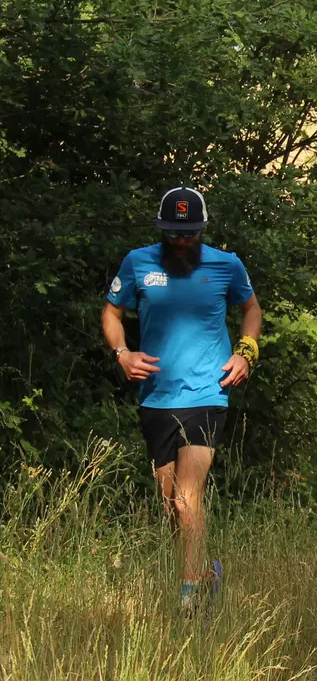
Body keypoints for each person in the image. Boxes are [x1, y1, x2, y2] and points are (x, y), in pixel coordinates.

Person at [101, 187, 262, 618]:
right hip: (156, 396)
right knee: (170, 499)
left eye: (190, 233)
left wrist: (246, 352)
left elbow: (252, 309)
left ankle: (190, 595)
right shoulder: (138, 263)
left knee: (188, 496)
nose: (182, 241)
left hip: (209, 392)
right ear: (162, 228)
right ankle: (206, 572)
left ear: (202, 229)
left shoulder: (227, 265)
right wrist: (123, 354)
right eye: (174, 232)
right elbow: (111, 313)